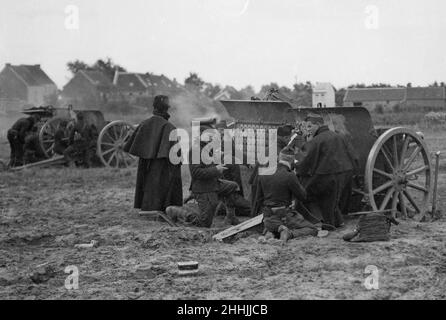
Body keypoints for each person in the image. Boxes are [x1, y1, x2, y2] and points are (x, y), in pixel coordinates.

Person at [166, 119, 241, 227]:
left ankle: (230, 217)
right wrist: (216, 170)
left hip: (213, 183)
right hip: (203, 188)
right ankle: (176, 211)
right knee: (204, 223)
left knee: (232, 186)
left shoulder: (206, 148)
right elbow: (196, 173)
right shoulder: (196, 150)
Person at [296, 113, 358, 229]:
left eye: (310, 127)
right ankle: (338, 222)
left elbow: (304, 162)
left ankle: (325, 223)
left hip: (327, 176)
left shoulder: (316, 141)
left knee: (304, 193)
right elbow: (353, 156)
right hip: (345, 173)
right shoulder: (339, 136)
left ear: (319, 125)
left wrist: (297, 170)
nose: (308, 130)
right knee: (332, 200)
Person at [123, 95, 183, 212]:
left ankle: (146, 206)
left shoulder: (144, 123)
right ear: (166, 109)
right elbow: (176, 155)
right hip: (163, 163)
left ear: (154, 107)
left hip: (145, 161)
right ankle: (163, 207)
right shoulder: (169, 127)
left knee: (146, 181)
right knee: (162, 181)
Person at [258, 149, 318, 242]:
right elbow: (302, 196)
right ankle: (289, 234)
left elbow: (258, 198)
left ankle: (272, 232)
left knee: (274, 223)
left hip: (267, 217)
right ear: (292, 161)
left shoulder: (264, 172)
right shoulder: (290, 175)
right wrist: (296, 179)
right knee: (312, 229)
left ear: (279, 158)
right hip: (283, 215)